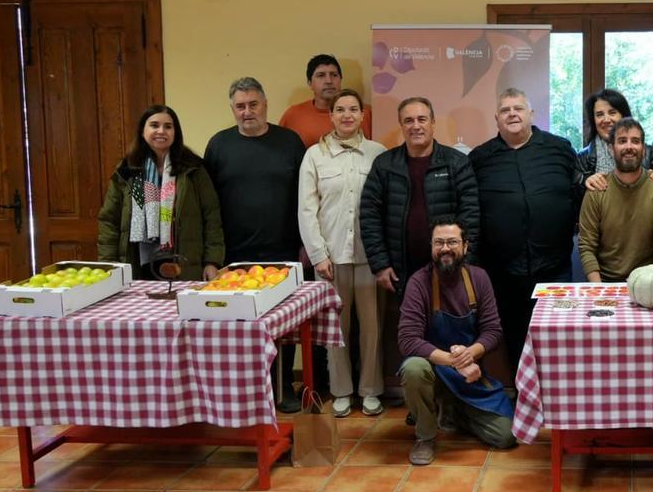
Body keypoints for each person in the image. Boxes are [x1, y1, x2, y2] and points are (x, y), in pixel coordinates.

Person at [204, 77, 308, 412]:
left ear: (265, 104)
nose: (247, 112)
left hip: (284, 251)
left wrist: (306, 246)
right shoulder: (218, 145)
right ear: (232, 109)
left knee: (284, 326)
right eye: (240, 106)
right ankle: (245, 392)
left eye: (253, 104)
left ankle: (283, 390)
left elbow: (306, 199)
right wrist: (213, 256)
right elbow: (209, 205)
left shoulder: (290, 142)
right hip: (234, 255)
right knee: (237, 327)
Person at [469, 88, 583, 371]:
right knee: (515, 336)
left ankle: (559, 395)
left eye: (518, 108)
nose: (512, 114)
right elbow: (470, 209)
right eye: (505, 110)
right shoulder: (479, 157)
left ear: (532, 114)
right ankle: (524, 398)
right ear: (496, 119)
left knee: (559, 334)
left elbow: (581, 189)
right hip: (503, 271)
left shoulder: (560, 148)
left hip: (555, 266)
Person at [397, 217, 516, 465]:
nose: (445, 248)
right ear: (431, 247)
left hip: (469, 377)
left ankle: (451, 410)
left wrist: (470, 353)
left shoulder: (479, 279)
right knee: (413, 367)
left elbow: (493, 331)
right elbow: (408, 340)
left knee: (506, 436)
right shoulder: (419, 282)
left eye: (452, 242)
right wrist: (454, 361)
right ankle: (425, 435)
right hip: (434, 372)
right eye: (438, 242)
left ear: (465, 246)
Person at [298, 90, 387, 418]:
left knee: (372, 327)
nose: (347, 115)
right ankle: (341, 391)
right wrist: (319, 254)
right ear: (331, 116)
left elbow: (385, 206)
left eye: (353, 109)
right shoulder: (314, 157)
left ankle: (371, 390)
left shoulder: (377, 153)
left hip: (370, 257)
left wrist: (383, 257)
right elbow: (306, 210)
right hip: (331, 258)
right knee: (337, 328)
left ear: (362, 115)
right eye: (340, 110)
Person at [360, 97, 480, 295]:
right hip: (400, 271)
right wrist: (380, 265)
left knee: (449, 325)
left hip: (448, 265)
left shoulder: (457, 162)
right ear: (401, 125)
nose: (415, 126)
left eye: (422, 119)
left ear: (433, 123)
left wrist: (464, 264)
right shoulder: (384, 165)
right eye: (408, 120)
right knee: (408, 326)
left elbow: (471, 217)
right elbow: (369, 216)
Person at [98, 105, 224, 281]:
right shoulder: (128, 170)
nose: (161, 131)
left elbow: (211, 217)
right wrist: (109, 264)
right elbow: (109, 220)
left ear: (175, 132)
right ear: (143, 131)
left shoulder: (193, 169)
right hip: (138, 264)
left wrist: (212, 262)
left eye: (168, 126)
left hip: (184, 264)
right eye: (154, 125)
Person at [578, 118, 653, 282]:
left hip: (650, 278)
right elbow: (586, 246)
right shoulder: (597, 190)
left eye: (636, 141)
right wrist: (598, 288)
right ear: (611, 149)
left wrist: (652, 280)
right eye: (622, 141)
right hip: (606, 281)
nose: (629, 147)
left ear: (644, 149)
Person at [280, 54, 375, 148]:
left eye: (334, 75)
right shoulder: (293, 115)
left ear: (340, 80)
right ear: (310, 83)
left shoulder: (366, 113)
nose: (329, 81)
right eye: (321, 75)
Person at [577, 88, 653, 188]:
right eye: (599, 114)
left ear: (624, 116)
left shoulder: (649, 154)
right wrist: (584, 183)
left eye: (612, 112)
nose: (606, 120)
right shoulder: (582, 160)